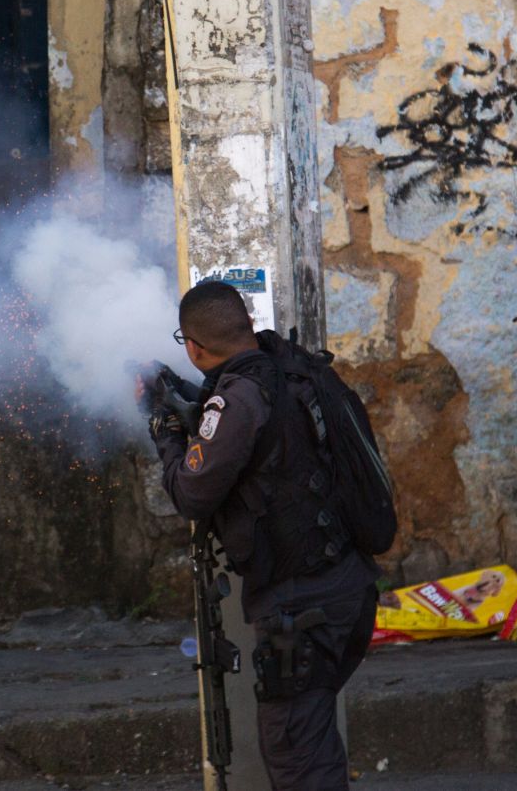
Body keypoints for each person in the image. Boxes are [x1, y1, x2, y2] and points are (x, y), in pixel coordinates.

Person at [146, 280, 381, 791]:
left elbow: (192, 492)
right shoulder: (290, 368)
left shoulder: (241, 398)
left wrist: (165, 433)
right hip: (347, 585)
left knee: (298, 757)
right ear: (246, 324)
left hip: (301, 606)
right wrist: (188, 400)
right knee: (312, 744)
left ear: (194, 347)